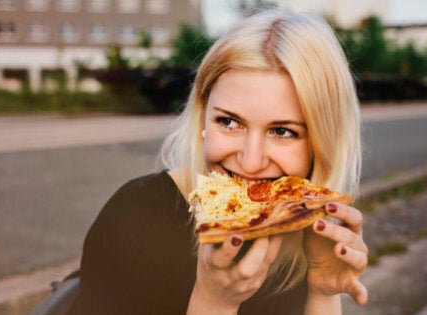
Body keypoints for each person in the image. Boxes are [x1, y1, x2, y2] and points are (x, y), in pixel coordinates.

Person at [69, 9, 367, 314]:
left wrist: (323, 292)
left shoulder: (309, 234)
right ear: (203, 115)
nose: (250, 163)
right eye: (229, 122)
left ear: (322, 142)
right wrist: (214, 302)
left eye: (282, 131)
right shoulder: (130, 223)